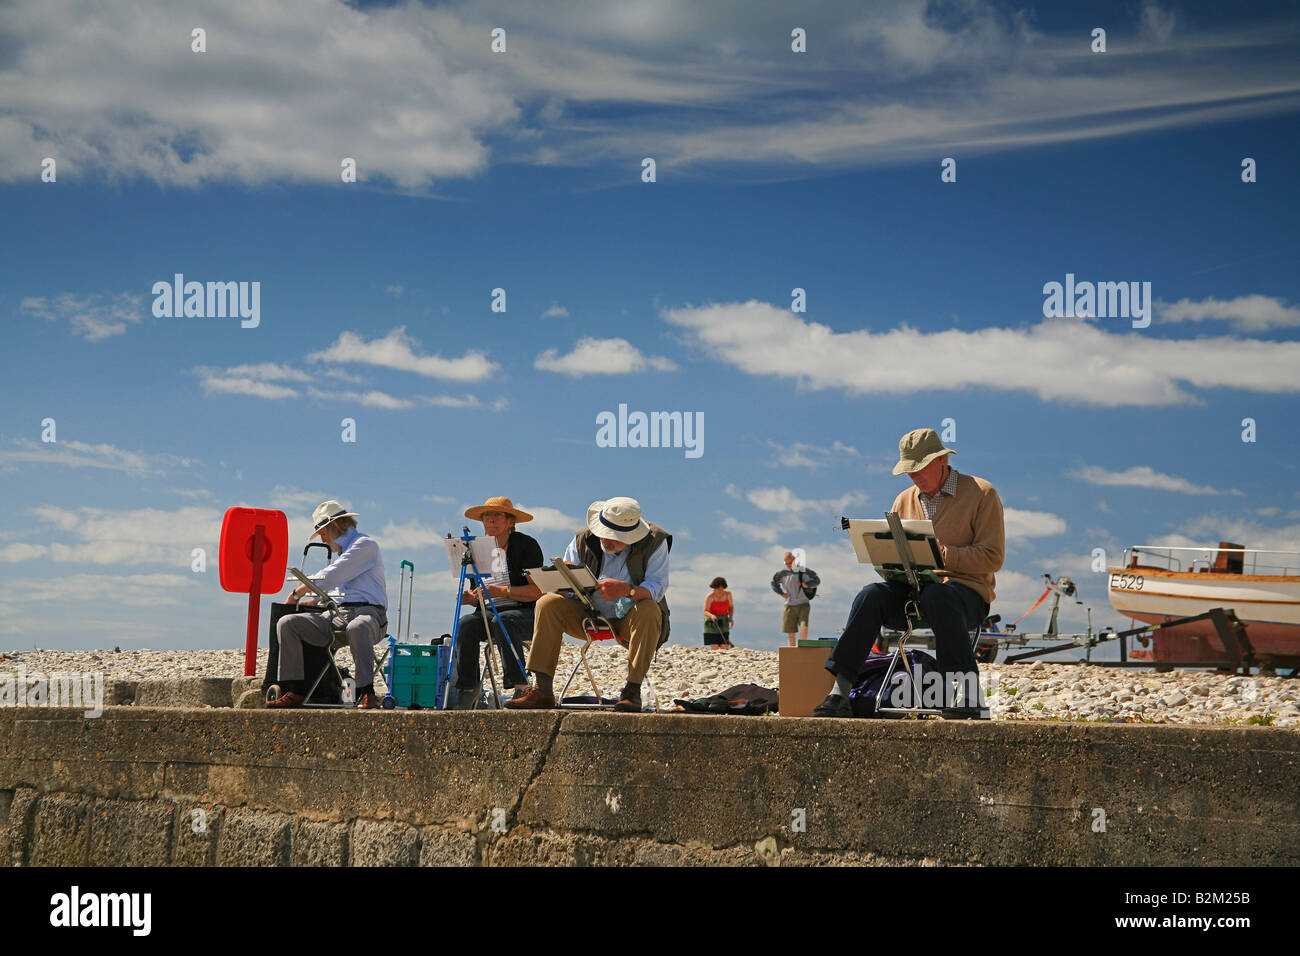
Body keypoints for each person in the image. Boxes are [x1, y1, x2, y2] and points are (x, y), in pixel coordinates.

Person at [814, 428, 1004, 719]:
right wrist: (886, 562)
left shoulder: (982, 493)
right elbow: (893, 560)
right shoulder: (903, 500)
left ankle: (968, 694)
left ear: (941, 461)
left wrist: (941, 554)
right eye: (909, 470)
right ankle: (841, 690)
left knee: (939, 595)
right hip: (913, 591)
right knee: (870, 595)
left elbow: (993, 557)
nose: (913, 476)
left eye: (919, 469)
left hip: (965, 595)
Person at [507, 497, 670, 713]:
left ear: (631, 537)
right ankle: (542, 690)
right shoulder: (584, 537)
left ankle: (632, 691)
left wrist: (627, 590)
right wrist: (563, 581)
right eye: (603, 532)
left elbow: (657, 587)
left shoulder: (655, 541)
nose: (606, 539)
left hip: (631, 617)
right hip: (587, 612)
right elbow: (567, 572)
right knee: (547, 603)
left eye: (614, 537)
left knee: (650, 609)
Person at [268, 500, 389, 709]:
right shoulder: (346, 552)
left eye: (323, 533)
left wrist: (298, 592)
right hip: (338, 614)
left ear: (334, 526)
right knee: (287, 623)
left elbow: (333, 574)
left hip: (369, 614)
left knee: (357, 626)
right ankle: (296, 690)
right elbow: (337, 588)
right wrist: (314, 600)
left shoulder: (366, 545)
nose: (323, 539)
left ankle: (367, 691)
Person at [451, 496, 544, 709]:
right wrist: (472, 599)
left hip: (525, 613)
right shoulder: (476, 549)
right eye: (486, 516)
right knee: (466, 624)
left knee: (503, 620)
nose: (490, 520)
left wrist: (501, 591)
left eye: (497, 515)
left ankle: (521, 685)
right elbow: (484, 595)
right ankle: (467, 687)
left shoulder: (525, 546)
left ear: (511, 522)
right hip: (490, 614)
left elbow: (538, 592)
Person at [772, 552, 820, 646]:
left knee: (804, 627)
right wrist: (781, 593)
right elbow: (774, 583)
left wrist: (807, 585)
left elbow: (816, 581)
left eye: (790, 563)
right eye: (787, 563)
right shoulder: (782, 574)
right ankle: (792, 651)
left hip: (803, 604)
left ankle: (802, 648)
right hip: (789, 605)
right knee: (791, 632)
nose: (789, 565)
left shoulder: (805, 572)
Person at [703, 577, 734, 648]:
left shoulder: (728, 595)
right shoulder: (710, 597)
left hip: (724, 620)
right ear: (714, 588)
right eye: (717, 589)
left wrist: (731, 618)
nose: (719, 591)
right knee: (715, 645)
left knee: (724, 645)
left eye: (721, 589)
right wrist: (712, 616)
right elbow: (705, 611)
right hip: (712, 622)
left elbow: (731, 607)